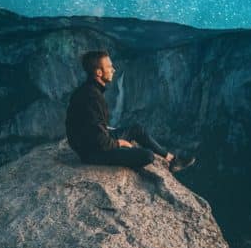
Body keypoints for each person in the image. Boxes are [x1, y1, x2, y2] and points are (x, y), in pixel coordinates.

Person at [65, 49, 195, 173]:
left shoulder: (87, 90)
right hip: (93, 152)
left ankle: (172, 159)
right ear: (99, 72)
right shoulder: (92, 97)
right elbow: (99, 140)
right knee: (147, 156)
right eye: (109, 67)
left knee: (136, 129)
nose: (113, 70)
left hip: (91, 144)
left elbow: (91, 127)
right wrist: (118, 143)